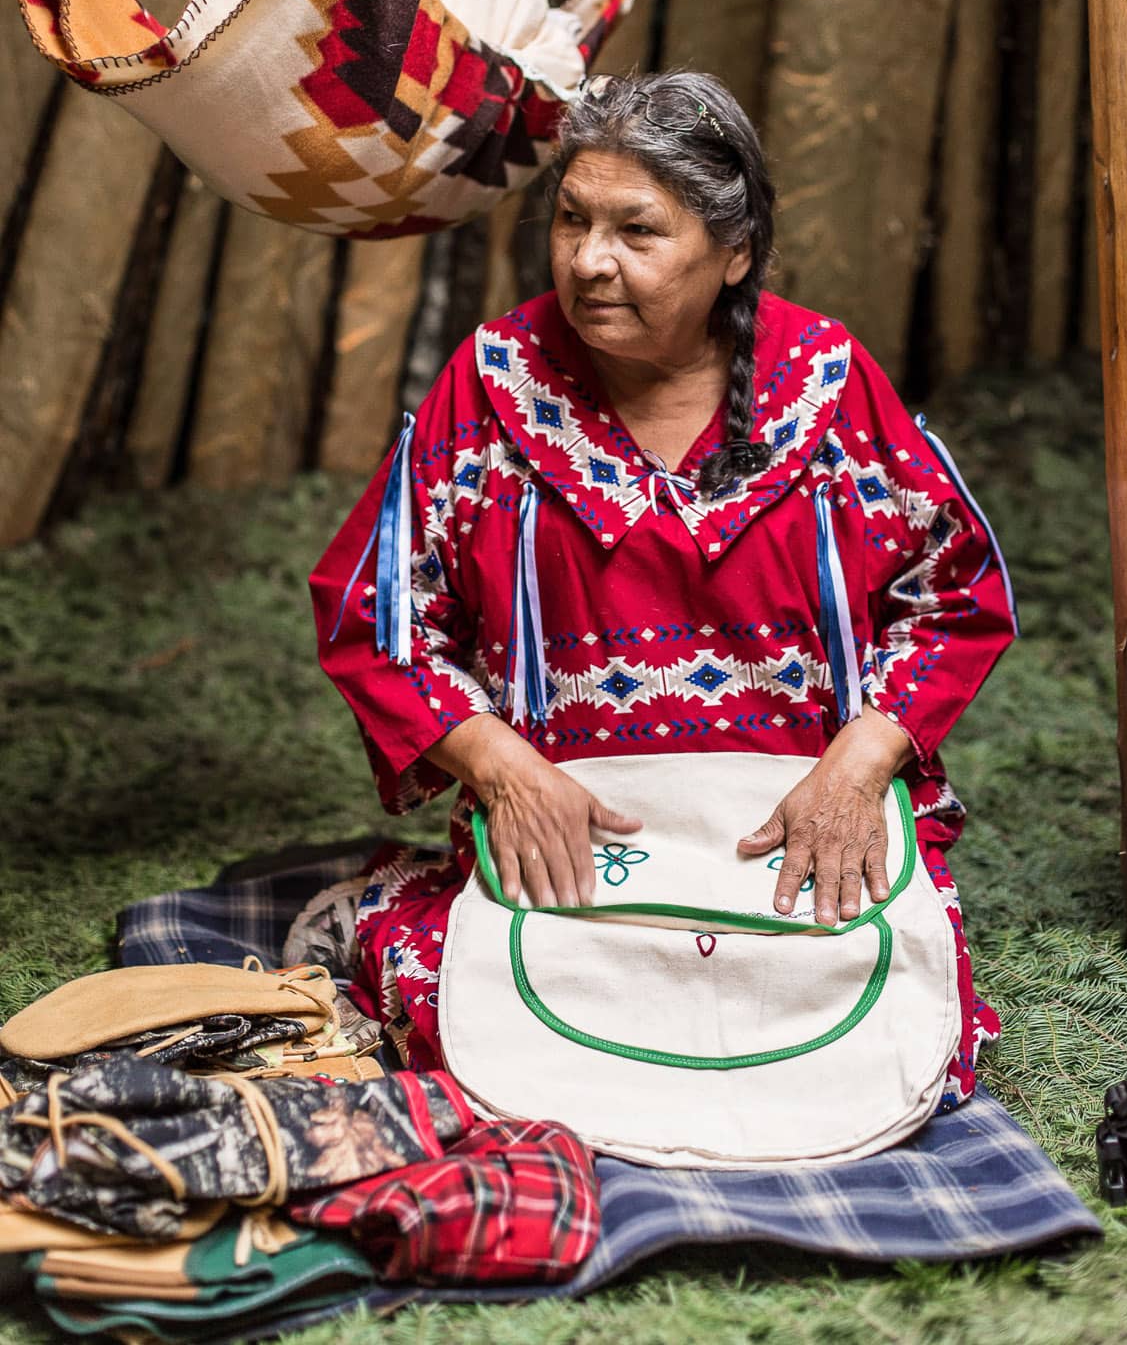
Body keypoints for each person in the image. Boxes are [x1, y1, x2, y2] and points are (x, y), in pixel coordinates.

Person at [310, 70, 1017, 1109]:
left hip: (791, 824)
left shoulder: (825, 379)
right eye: (571, 221)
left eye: (637, 231)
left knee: (878, 1043)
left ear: (734, 254)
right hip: (578, 837)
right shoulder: (495, 381)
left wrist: (858, 770)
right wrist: (503, 770)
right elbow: (378, 613)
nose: (590, 261)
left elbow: (955, 593)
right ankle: (391, 915)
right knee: (500, 1037)